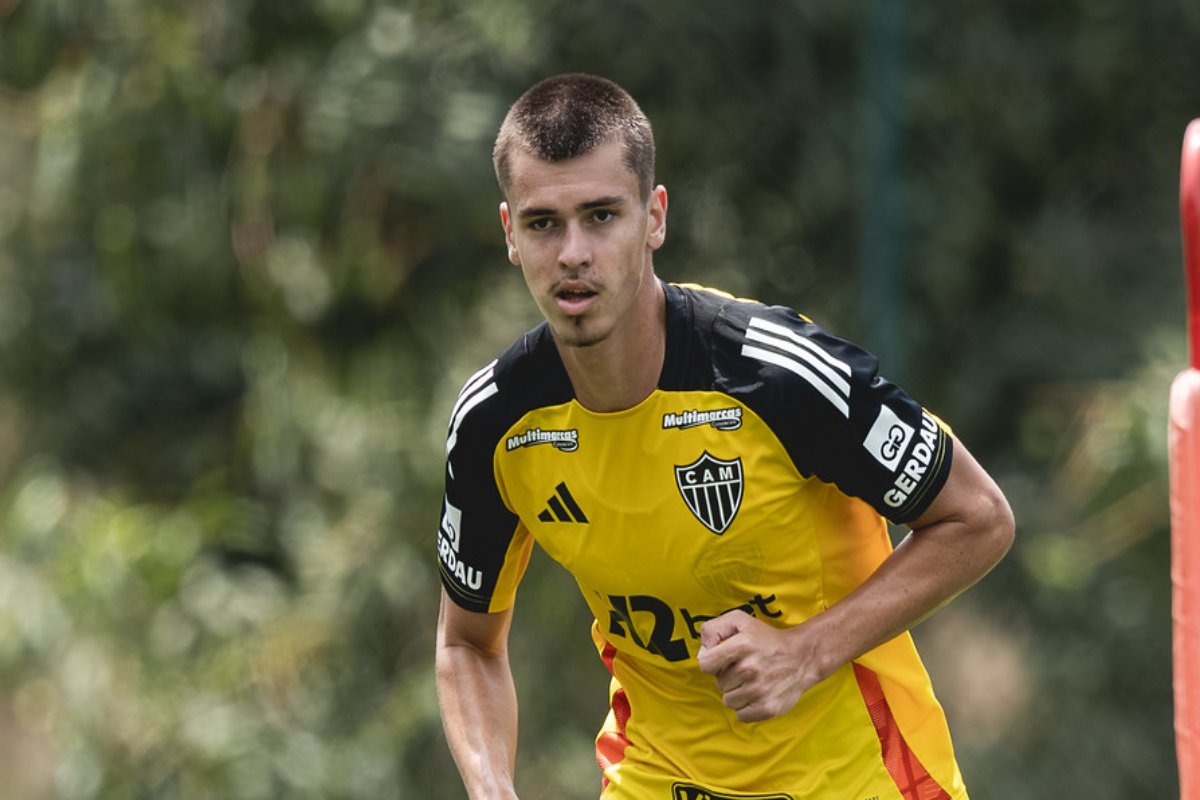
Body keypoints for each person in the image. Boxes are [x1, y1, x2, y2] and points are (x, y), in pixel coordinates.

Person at [434, 72, 1015, 800]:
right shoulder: (496, 423)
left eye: (602, 216)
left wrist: (806, 653)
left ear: (654, 218)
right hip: (656, 779)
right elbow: (467, 643)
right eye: (544, 222)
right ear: (510, 234)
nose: (573, 253)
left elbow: (979, 517)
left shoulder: (776, 378)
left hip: (862, 780)